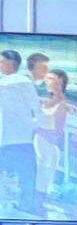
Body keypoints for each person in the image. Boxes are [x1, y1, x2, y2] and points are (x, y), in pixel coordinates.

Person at [0, 49, 41, 213]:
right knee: (27, 176)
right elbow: (36, 110)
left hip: (6, 140)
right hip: (23, 139)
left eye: (1, 62)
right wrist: (32, 127)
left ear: (11, 64)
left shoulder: (7, 83)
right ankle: (25, 206)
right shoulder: (25, 82)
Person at [34, 69, 74, 208]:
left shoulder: (62, 104)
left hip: (48, 148)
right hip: (41, 148)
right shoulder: (51, 100)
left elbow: (58, 132)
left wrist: (36, 129)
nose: (47, 82)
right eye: (47, 79)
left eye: (51, 79)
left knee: (42, 183)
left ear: (60, 82)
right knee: (38, 180)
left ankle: (38, 210)